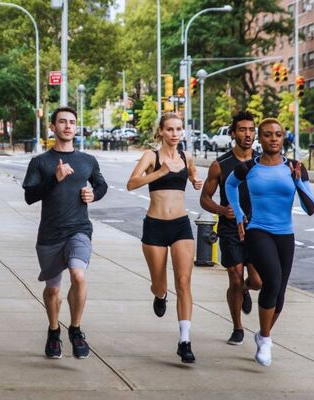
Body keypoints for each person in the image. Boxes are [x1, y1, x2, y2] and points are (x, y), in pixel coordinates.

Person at [225, 118, 314, 367]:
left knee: (280, 293)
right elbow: (230, 185)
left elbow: (311, 208)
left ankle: (263, 333)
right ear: (260, 139)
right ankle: (265, 340)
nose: (273, 138)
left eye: (277, 134)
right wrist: (239, 214)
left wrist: (298, 181)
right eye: (267, 134)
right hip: (258, 231)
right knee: (272, 281)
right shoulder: (248, 167)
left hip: (285, 234)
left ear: (283, 137)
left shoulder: (295, 167)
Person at [23, 106, 108, 360]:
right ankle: (53, 330)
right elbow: (29, 196)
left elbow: (101, 184)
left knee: (78, 275)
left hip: (79, 230)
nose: (68, 126)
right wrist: (55, 179)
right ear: (53, 127)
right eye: (62, 122)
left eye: (72, 122)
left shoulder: (87, 161)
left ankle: (76, 329)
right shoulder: (40, 162)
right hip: (49, 234)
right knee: (53, 289)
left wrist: (94, 194)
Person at [125, 112, 203, 363]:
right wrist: (159, 173)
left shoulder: (187, 157)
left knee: (183, 282)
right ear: (161, 131)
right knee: (160, 283)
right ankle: (160, 295)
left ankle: (184, 340)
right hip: (155, 227)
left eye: (179, 129)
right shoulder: (151, 156)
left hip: (181, 226)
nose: (175, 134)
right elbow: (131, 184)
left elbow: (191, 174)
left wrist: (194, 180)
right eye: (170, 129)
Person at [199, 111, 262, 346]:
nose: (248, 134)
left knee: (257, 281)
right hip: (230, 228)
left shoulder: (262, 162)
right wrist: (221, 210)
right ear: (233, 133)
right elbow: (205, 197)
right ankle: (237, 327)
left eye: (251, 129)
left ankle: (246, 290)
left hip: (257, 228)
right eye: (243, 129)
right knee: (235, 278)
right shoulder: (221, 165)